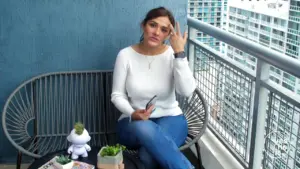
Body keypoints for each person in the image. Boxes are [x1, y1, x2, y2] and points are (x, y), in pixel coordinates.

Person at [111, 6, 196, 169]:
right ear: (144, 25)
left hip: (171, 119)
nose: (157, 32)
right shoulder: (125, 55)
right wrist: (132, 113)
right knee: (144, 127)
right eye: (153, 25)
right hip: (133, 123)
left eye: (164, 30)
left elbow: (186, 91)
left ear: (168, 35)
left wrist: (179, 53)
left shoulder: (173, 55)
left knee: (147, 157)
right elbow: (117, 95)